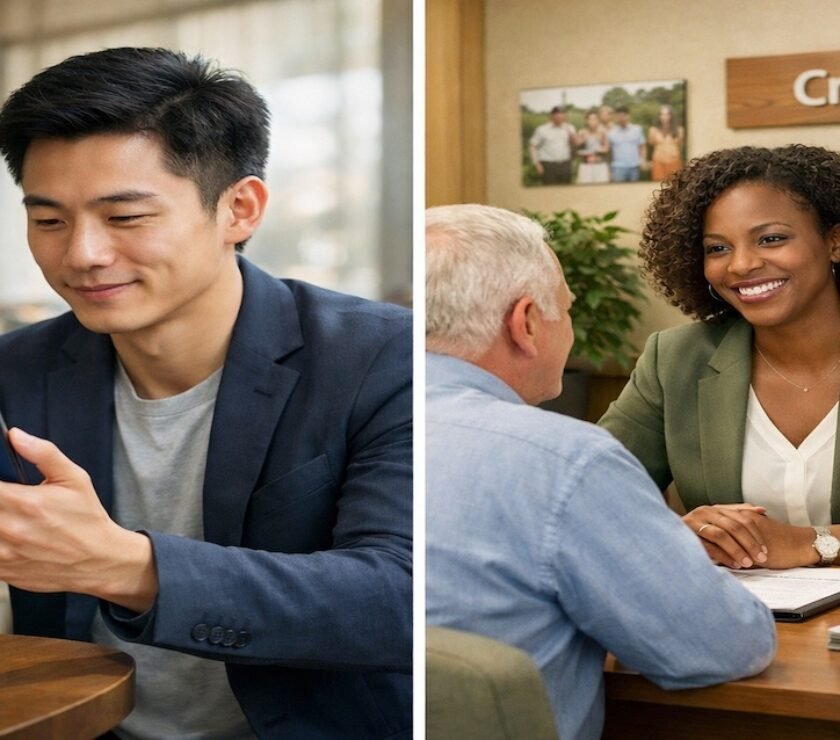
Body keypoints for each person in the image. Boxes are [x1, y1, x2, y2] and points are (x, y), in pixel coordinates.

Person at [0, 47, 412, 739]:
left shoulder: (379, 357)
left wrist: (126, 565)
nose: (81, 255)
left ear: (239, 209)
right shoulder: (16, 370)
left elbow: (397, 597)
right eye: (49, 221)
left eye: (125, 217)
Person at [425, 203, 775, 740]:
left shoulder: (352, 429)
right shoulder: (565, 460)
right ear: (525, 324)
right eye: (565, 310)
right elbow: (723, 646)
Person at [600, 144, 840, 573]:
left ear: (833, 241)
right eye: (717, 248)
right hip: (738, 626)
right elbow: (593, 497)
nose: (742, 265)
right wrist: (679, 532)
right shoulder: (674, 359)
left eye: (771, 239)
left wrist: (814, 543)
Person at [528, 105, 576, 185]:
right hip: (549, 166)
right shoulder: (542, 129)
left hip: (565, 165)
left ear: (564, 115)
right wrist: (537, 164)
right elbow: (532, 146)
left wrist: (569, 130)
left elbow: (575, 143)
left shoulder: (570, 127)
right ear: (551, 116)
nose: (559, 116)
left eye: (561, 113)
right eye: (556, 113)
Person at [607, 104, 646, 182]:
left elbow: (642, 146)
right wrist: (609, 170)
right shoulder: (611, 132)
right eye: (619, 116)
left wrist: (643, 160)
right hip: (618, 168)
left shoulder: (637, 129)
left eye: (623, 116)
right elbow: (609, 153)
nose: (621, 118)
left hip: (634, 166)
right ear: (616, 117)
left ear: (628, 116)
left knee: (634, 192)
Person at [647, 104, 685, 181]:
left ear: (671, 116)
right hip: (658, 162)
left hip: (675, 162)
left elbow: (681, 146)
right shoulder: (652, 130)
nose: (664, 117)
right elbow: (650, 145)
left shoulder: (679, 130)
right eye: (662, 114)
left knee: (675, 185)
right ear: (659, 116)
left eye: (667, 114)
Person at [574, 109, 610, 184]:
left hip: (600, 164)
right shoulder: (582, 132)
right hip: (586, 165)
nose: (593, 121)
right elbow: (576, 150)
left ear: (598, 120)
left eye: (595, 119)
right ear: (586, 121)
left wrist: (597, 151)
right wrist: (583, 140)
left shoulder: (603, 132)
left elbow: (606, 149)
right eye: (590, 119)